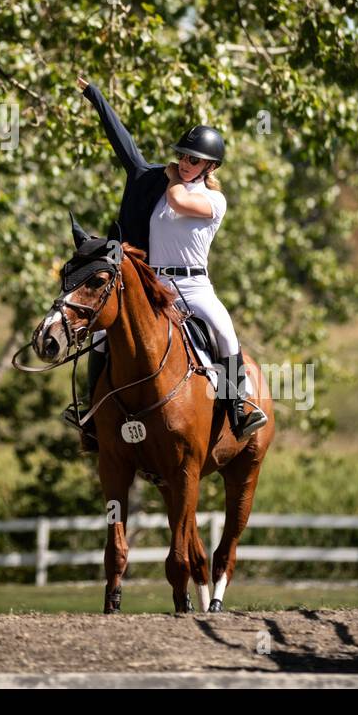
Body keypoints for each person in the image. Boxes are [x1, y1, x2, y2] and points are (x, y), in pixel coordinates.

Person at [63, 74, 268, 449]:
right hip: (154, 284)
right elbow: (124, 147)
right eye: (183, 157)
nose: (185, 163)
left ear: (211, 166)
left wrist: (172, 176)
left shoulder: (212, 201)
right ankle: (90, 414)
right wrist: (96, 97)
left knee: (224, 331)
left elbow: (178, 201)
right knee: (99, 337)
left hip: (194, 285)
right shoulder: (159, 185)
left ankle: (240, 408)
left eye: (195, 160)